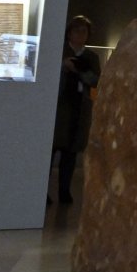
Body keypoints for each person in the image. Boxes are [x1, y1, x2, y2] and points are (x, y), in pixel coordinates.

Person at [51, 15, 101, 205]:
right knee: (53, 148)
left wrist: (79, 71)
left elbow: (96, 80)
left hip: (79, 109)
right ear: (69, 33)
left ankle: (64, 190)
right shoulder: (60, 52)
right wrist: (64, 68)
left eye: (84, 31)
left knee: (71, 152)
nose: (80, 35)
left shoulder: (91, 57)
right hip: (59, 106)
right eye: (76, 31)